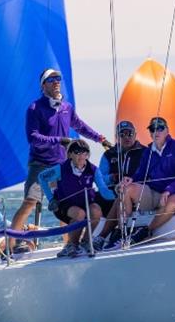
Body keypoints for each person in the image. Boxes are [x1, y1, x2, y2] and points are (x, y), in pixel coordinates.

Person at [10, 68, 112, 233]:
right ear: (43, 86)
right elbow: (33, 138)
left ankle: (69, 244)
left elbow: (80, 126)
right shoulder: (35, 108)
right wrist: (60, 140)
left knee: (67, 203)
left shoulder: (67, 107)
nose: (56, 81)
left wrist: (100, 139)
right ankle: (11, 243)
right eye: (51, 79)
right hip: (40, 164)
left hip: (61, 165)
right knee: (30, 202)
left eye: (58, 78)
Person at [114, 116, 175, 245]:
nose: (156, 132)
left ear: (167, 131)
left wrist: (169, 190)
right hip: (154, 193)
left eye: (160, 128)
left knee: (173, 202)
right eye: (152, 129)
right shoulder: (148, 152)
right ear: (150, 133)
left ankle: (146, 231)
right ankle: (123, 231)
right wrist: (131, 179)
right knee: (126, 189)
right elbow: (141, 174)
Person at [94, 120, 147, 249]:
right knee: (90, 202)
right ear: (117, 137)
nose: (126, 137)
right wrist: (113, 178)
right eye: (122, 134)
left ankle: (106, 235)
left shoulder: (145, 152)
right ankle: (81, 240)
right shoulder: (109, 155)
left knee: (122, 197)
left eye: (129, 133)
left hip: (135, 192)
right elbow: (100, 178)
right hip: (112, 193)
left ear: (135, 134)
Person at [50, 139, 106, 258]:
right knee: (79, 214)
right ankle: (72, 244)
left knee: (96, 210)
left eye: (84, 152)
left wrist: (118, 193)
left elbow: (104, 190)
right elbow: (41, 178)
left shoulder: (93, 169)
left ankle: (85, 241)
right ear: (70, 154)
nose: (81, 155)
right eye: (77, 152)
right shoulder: (60, 168)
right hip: (63, 206)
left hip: (84, 203)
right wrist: (51, 199)